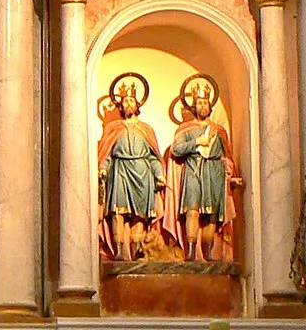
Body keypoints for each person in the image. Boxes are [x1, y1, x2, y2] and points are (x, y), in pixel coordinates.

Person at [163, 74, 239, 261]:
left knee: (211, 215)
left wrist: (231, 176)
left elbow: (226, 157)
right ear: (193, 107)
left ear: (210, 106)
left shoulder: (219, 131)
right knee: (193, 210)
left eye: (205, 103)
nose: (203, 106)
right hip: (193, 172)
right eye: (199, 103)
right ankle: (190, 251)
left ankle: (208, 253)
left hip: (214, 172)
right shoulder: (186, 129)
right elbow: (177, 149)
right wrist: (197, 142)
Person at [96, 76, 162, 259]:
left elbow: (154, 156)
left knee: (140, 215)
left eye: (131, 100)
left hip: (142, 171)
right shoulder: (113, 128)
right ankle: (118, 251)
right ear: (120, 105)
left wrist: (159, 174)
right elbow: (107, 153)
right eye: (125, 100)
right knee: (118, 211)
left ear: (138, 103)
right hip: (121, 171)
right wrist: (103, 167)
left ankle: (137, 250)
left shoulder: (146, 129)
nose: (128, 103)